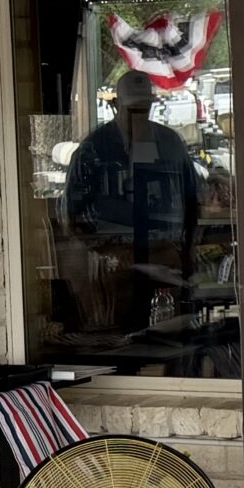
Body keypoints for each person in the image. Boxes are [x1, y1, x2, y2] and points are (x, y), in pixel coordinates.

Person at [63, 69, 200, 332]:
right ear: (117, 107)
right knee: (122, 333)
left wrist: (188, 252)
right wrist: (107, 254)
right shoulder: (94, 149)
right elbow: (73, 214)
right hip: (115, 262)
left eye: (144, 109)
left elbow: (191, 200)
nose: (139, 118)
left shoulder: (170, 143)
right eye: (132, 111)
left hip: (165, 256)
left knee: (172, 333)